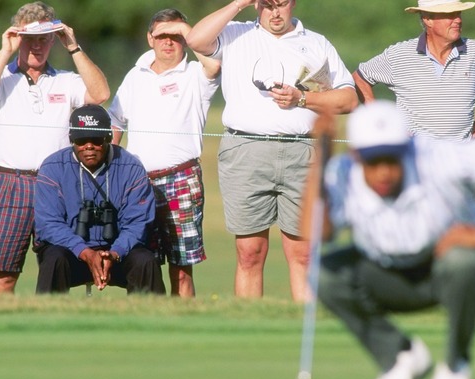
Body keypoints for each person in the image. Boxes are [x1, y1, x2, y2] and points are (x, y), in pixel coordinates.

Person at [303, 101, 475, 379]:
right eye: (372, 161)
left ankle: (456, 365)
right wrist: (320, 157)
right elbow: (317, 234)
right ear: (355, 156)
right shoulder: (342, 171)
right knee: (323, 273)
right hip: (387, 274)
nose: (383, 172)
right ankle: (400, 357)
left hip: (450, 268)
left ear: (407, 148)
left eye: (392, 159)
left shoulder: (437, 156)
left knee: (464, 263)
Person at [186, 0, 358, 302]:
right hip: (246, 150)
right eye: (267, 5)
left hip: (303, 152)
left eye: (281, 4)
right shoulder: (234, 33)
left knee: (303, 252)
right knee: (250, 251)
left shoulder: (316, 42)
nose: (275, 12)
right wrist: (239, 3)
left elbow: (348, 99)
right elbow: (196, 39)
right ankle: (247, 330)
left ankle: (298, 331)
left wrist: (301, 99)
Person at [0, 1, 110, 295]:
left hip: (57, 182)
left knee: (58, 265)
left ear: (53, 40)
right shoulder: (2, 78)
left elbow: (100, 94)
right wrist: (5, 51)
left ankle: (54, 333)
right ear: (18, 38)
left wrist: (73, 46)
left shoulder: (66, 81)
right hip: (11, 182)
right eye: (29, 39)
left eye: (44, 39)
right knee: (3, 274)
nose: (37, 46)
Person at [107, 9, 221, 298]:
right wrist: (108, 170)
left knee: (181, 266)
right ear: (150, 38)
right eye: (162, 35)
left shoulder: (196, 72)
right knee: (143, 260)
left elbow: (214, 67)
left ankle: (184, 327)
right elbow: (117, 121)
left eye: (175, 36)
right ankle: (149, 323)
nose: (168, 42)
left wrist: (187, 29)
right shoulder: (136, 75)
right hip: (139, 181)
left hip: (181, 177)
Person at [33, 105, 165, 294]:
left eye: (96, 139)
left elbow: (138, 222)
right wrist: (85, 252)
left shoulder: (131, 167)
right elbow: (48, 223)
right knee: (54, 258)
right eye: (81, 140)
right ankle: (44, 321)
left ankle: (153, 321)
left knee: (145, 261)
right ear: (71, 140)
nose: (89, 146)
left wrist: (115, 253)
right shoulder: (52, 167)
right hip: (71, 250)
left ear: (108, 138)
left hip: (118, 252)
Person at [353, 0, 475, 141]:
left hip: (461, 158)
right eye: (450, 14)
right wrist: (380, 120)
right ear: (427, 19)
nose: (458, 20)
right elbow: (360, 78)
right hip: (416, 158)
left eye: (458, 13)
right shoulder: (399, 54)